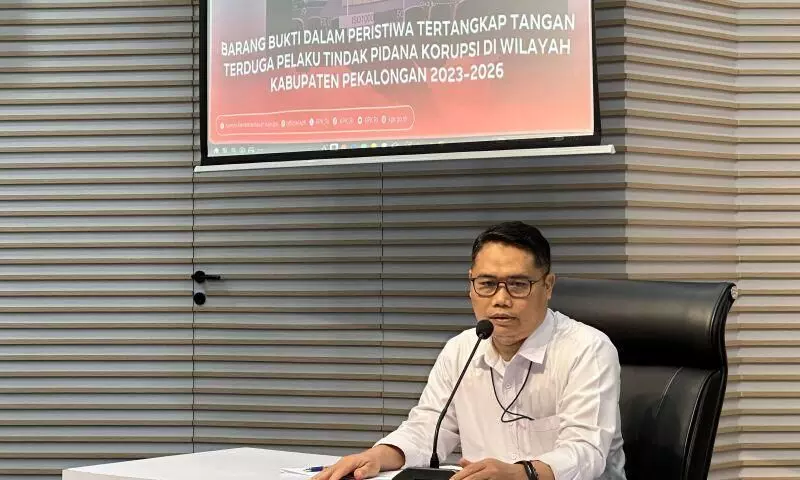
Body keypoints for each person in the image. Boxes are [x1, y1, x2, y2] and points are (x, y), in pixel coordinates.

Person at [314, 221, 627, 480]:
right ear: (471, 285)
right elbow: (427, 429)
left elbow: (586, 452)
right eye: (487, 284)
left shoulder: (586, 349)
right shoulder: (461, 349)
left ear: (548, 286)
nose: (500, 299)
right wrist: (377, 456)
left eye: (518, 285)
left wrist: (521, 473)